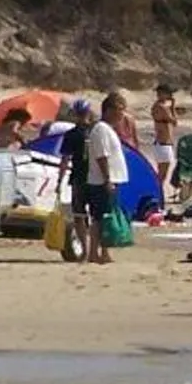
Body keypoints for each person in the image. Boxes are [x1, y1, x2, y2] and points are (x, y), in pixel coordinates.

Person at [66, 99, 126, 265]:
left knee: (99, 217)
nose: (122, 114)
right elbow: (101, 156)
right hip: (93, 179)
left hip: (91, 178)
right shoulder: (99, 130)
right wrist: (107, 179)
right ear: (108, 110)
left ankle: (98, 252)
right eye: (119, 110)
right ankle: (92, 252)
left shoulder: (102, 129)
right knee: (97, 217)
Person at [150, 85, 181, 195]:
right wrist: (173, 107)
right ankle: (157, 192)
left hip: (164, 143)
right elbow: (174, 121)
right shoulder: (161, 107)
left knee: (163, 172)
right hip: (163, 143)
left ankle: (158, 192)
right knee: (163, 173)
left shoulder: (160, 106)